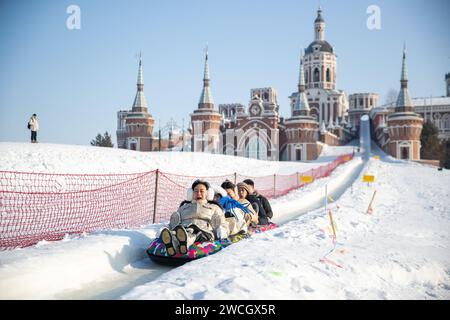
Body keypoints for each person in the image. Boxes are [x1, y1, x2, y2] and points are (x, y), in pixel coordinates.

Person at [158, 179, 230, 257]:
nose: (198, 193)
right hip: (183, 229)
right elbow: (174, 222)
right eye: (196, 191)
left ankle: (183, 242)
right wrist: (166, 228)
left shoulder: (214, 208)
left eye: (201, 191)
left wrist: (222, 230)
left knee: (194, 232)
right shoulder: (183, 208)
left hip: (204, 231)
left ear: (207, 193)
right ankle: (173, 242)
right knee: (177, 231)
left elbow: (223, 223)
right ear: (191, 193)